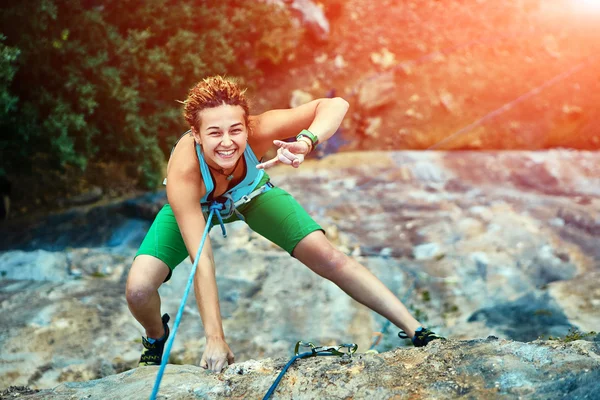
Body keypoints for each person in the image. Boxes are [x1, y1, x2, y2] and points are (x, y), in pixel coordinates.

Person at [125, 75, 444, 372]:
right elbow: (202, 261)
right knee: (138, 289)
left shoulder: (260, 127)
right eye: (214, 132)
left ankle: (417, 330)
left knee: (329, 257)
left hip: (251, 195)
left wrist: (306, 141)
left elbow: (335, 105)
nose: (227, 142)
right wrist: (215, 338)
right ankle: (156, 336)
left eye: (236, 130)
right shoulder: (184, 172)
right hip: (197, 206)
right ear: (196, 134)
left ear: (247, 126)